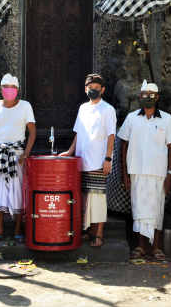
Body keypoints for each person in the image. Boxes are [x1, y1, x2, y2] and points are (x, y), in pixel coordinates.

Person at [118, 80, 171, 261]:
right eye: (144, 95)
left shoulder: (167, 119)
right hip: (136, 172)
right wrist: (124, 173)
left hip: (158, 174)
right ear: (139, 97)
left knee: (157, 212)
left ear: (157, 97)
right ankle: (141, 247)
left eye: (151, 95)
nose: (147, 98)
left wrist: (169, 175)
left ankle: (157, 248)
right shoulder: (131, 118)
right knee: (139, 211)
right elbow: (123, 145)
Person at [60, 73, 116, 247]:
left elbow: (111, 135)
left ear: (103, 90)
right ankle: (87, 231)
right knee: (84, 197)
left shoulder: (108, 109)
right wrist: (70, 151)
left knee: (97, 197)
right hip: (81, 159)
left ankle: (98, 234)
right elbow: (79, 132)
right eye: (90, 88)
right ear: (86, 89)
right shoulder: (83, 108)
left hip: (99, 160)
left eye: (97, 88)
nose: (93, 90)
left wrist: (108, 158)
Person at [0, 73, 36, 244]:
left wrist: (26, 153)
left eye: (13, 88)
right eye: (6, 87)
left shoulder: (25, 106)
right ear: (1, 89)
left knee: (18, 192)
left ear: (17, 90)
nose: (9, 91)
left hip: (18, 154)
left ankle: (17, 230)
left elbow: (32, 132)